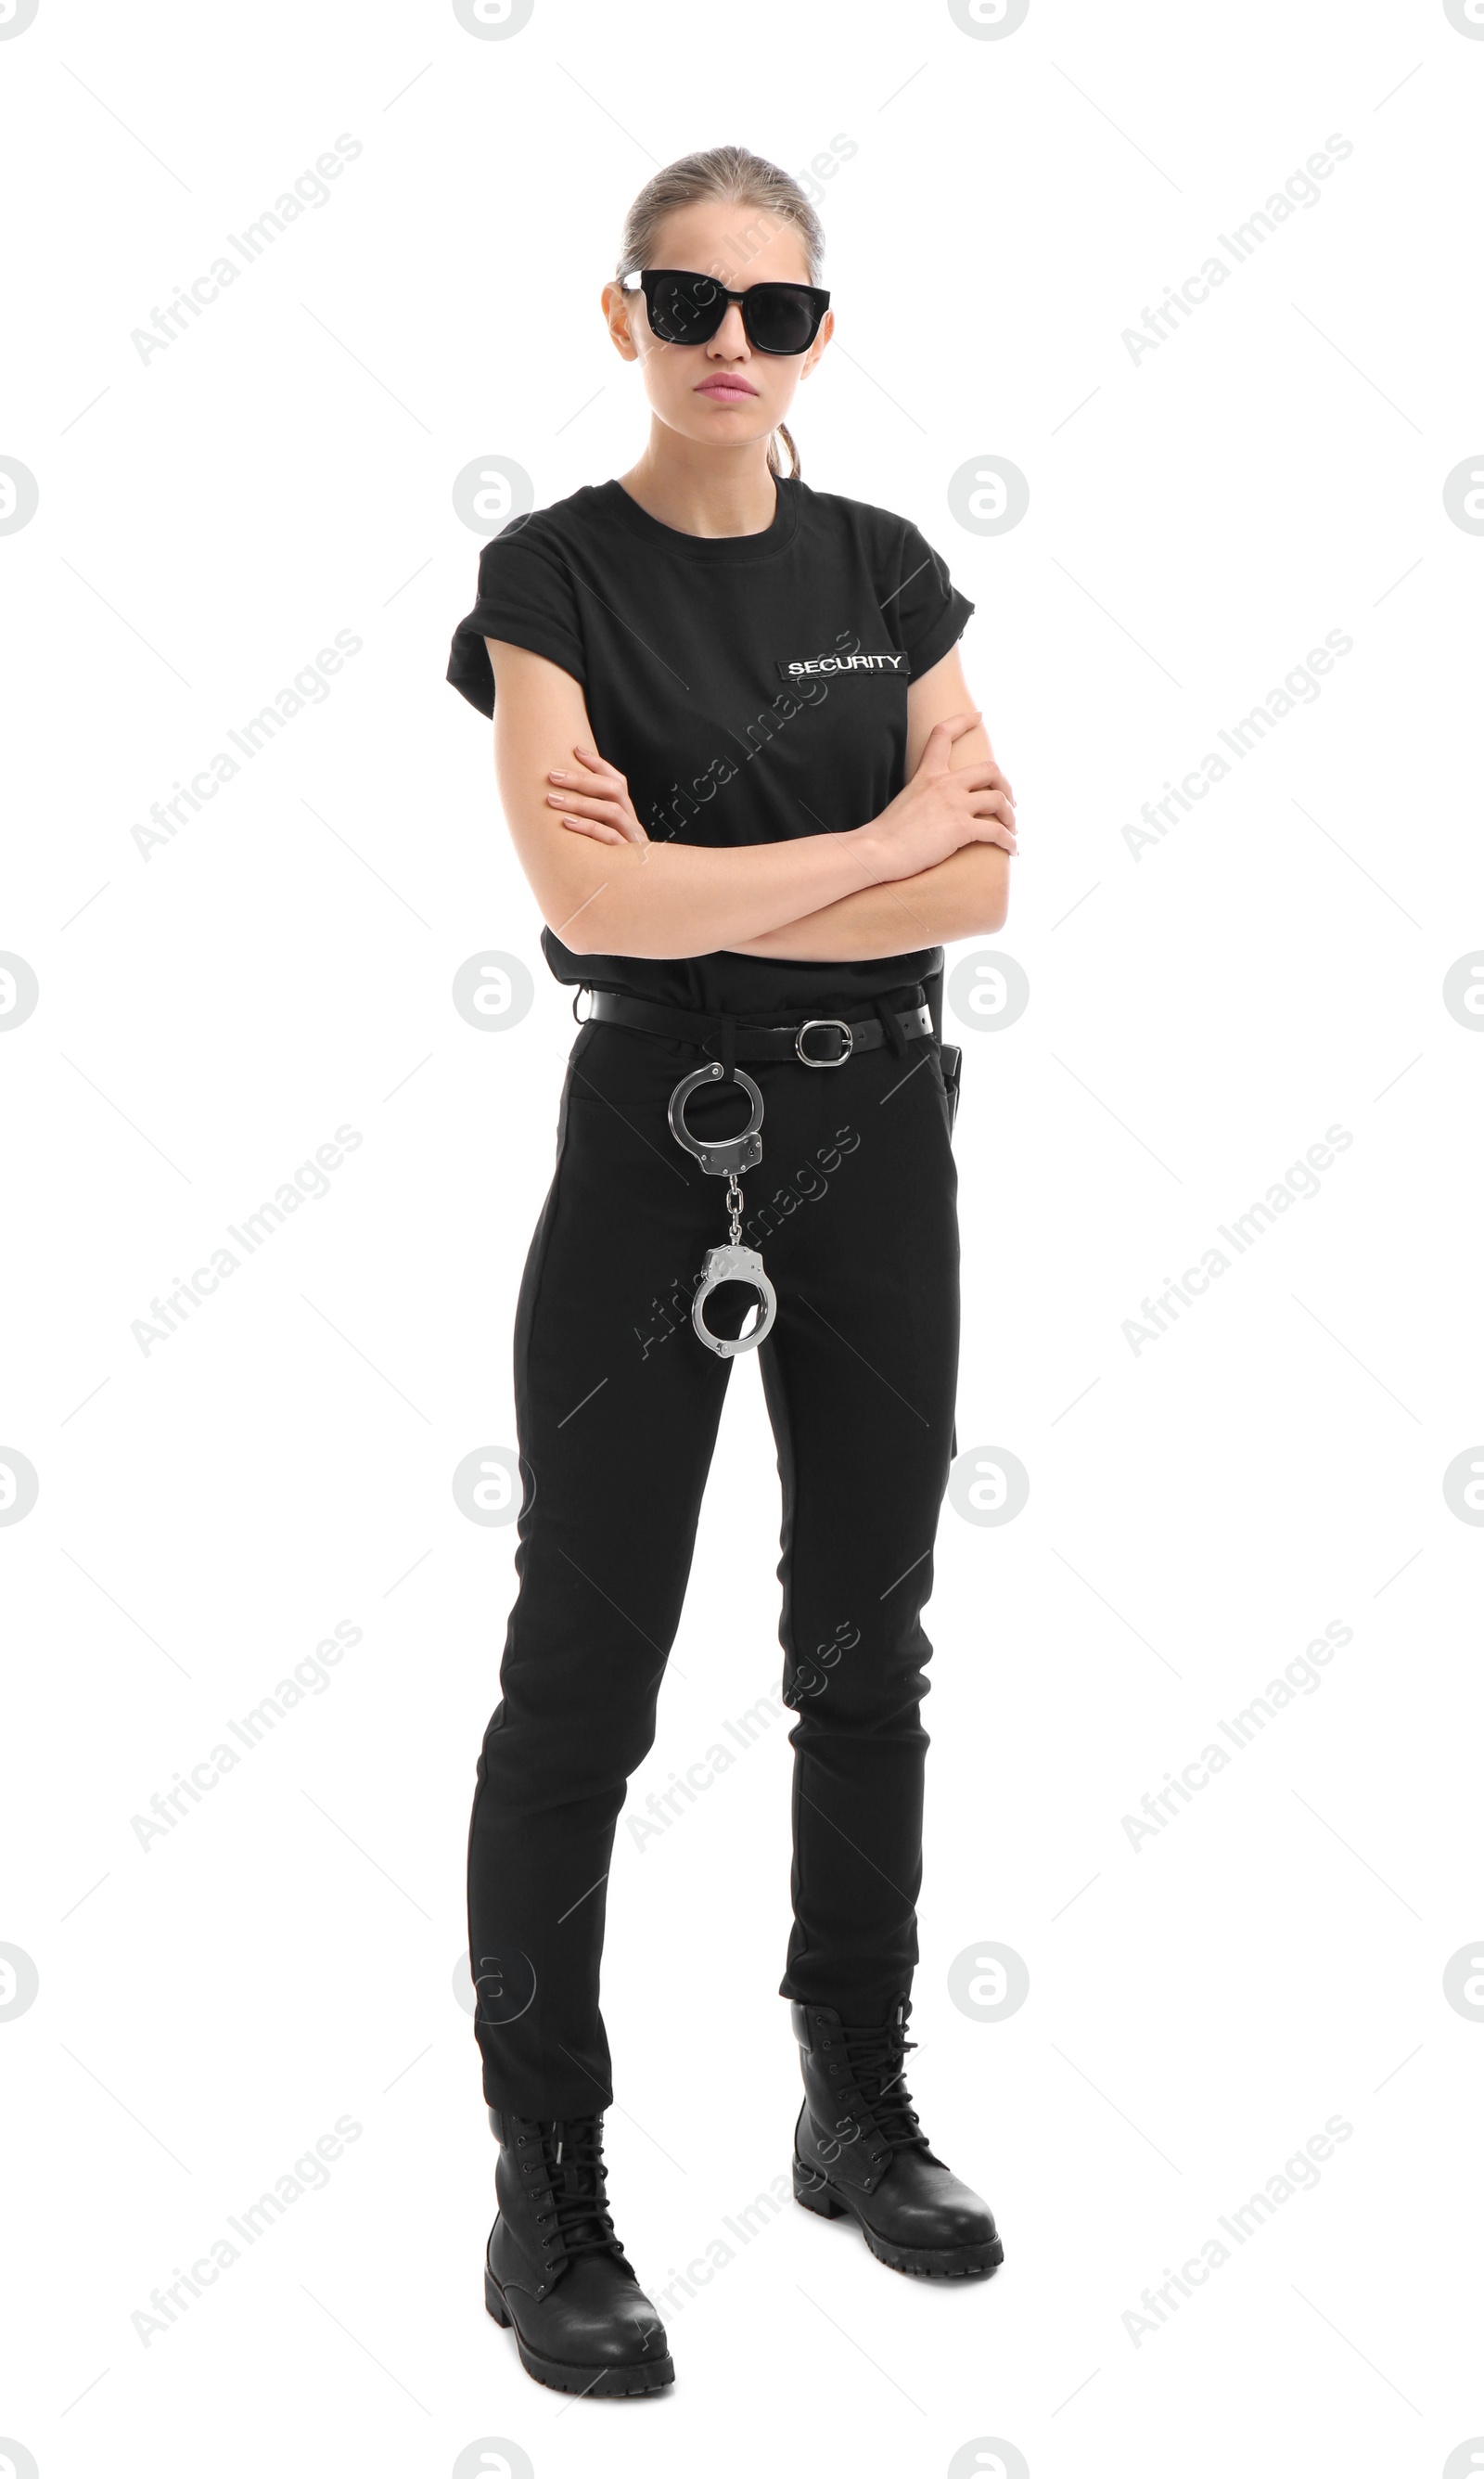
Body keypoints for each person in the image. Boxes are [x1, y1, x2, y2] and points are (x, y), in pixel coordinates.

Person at [446, 143, 1018, 2399]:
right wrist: (877, 840)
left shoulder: (889, 567)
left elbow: (979, 892)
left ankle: (850, 2100)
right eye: (685, 298)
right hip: (648, 1136)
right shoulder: (547, 574)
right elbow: (588, 915)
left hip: (877, 1136)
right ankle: (546, 2187)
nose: (725, 340)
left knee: (865, 1645)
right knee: (581, 1672)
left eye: (771, 311)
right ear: (622, 317)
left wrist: (748, 876)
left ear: (815, 334)